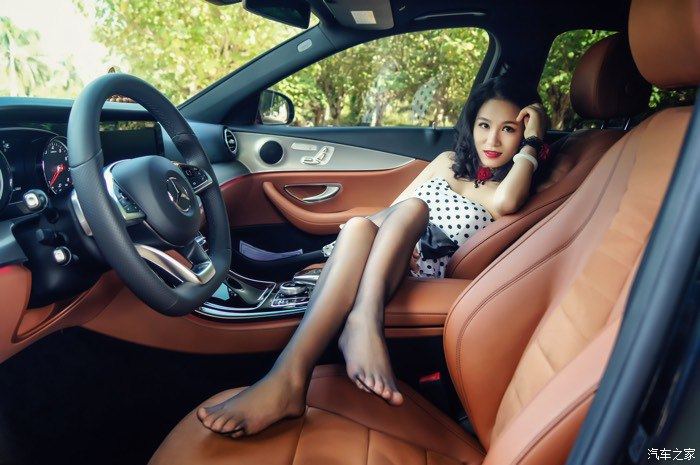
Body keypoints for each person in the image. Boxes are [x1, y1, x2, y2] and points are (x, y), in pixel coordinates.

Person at [196, 75, 549, 438]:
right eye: (484, 125)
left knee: (414, 209)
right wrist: (380, 239)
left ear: (523, 134)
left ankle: (353, 328)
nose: (492, 141)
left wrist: (534, 141)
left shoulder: (504, 191)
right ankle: (291, 376)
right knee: (359, 226)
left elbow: (506, 201)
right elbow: (392, 209)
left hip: (421, 272)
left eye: (508, 129)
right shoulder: (446, 161)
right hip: (387, 251)